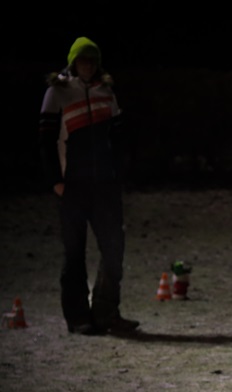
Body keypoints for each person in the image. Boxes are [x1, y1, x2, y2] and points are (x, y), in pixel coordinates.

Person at [38, 36, 139, 335]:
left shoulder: (106, 91)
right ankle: (78, 317)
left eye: (92, 60)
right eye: (83, 60)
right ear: (73, 62)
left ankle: (107, 313)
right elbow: (45, 141)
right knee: (74, 255)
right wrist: (56, 180)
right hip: (72, 187)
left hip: (105, 186)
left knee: (113, 250)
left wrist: (120, 173)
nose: (88, 65)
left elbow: (120, 138)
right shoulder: (56, 93)